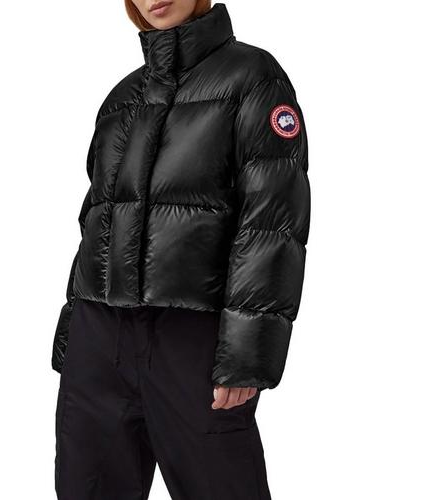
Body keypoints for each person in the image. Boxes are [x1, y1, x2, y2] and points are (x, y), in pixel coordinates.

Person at [51, 1, 310, 498]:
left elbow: (272, 223)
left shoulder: (253, 78)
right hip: (97, 340)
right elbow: (95, 222)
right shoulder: (121, 100)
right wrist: (72, 333)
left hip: (192, 339)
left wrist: (246, 355)